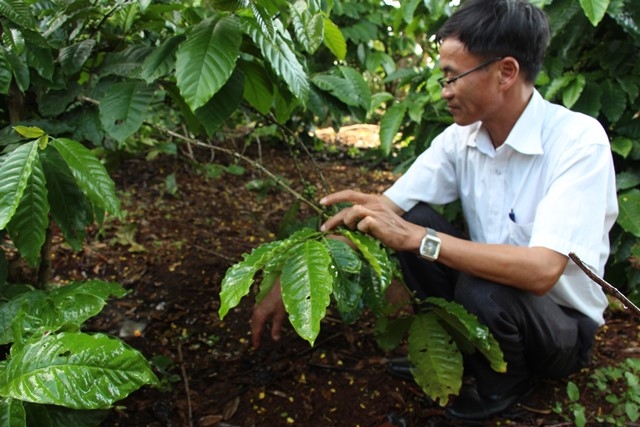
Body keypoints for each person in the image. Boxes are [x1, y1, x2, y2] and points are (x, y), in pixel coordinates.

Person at [250, 0, 618, 421]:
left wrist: (420, 240)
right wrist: (293, 276)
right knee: (418, 223)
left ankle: (505, 384)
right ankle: (464, 359)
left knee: (463, 273)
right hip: (494, 303)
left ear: (506, 72)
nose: (444, 91)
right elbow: (385, 212)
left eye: (452, 77)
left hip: (561, 328)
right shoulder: (460, 140)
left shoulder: (577, 142)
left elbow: (541, 272)